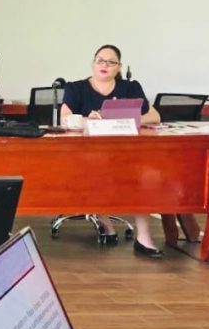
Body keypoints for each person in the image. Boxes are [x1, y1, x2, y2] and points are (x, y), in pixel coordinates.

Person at [59, 43, 164, 258]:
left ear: (119, 67)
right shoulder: (76, 88)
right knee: (97, 169)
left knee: (143, 175)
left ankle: (144, 238)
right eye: (100, 60)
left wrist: (125, 118)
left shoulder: (130, 88)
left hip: (126, 152)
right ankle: (104, 220)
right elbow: (65, 120)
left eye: (111, 62)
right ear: (93, 63)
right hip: (87, 153)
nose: (105, 65)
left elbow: (154, 116)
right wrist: (89, 120)